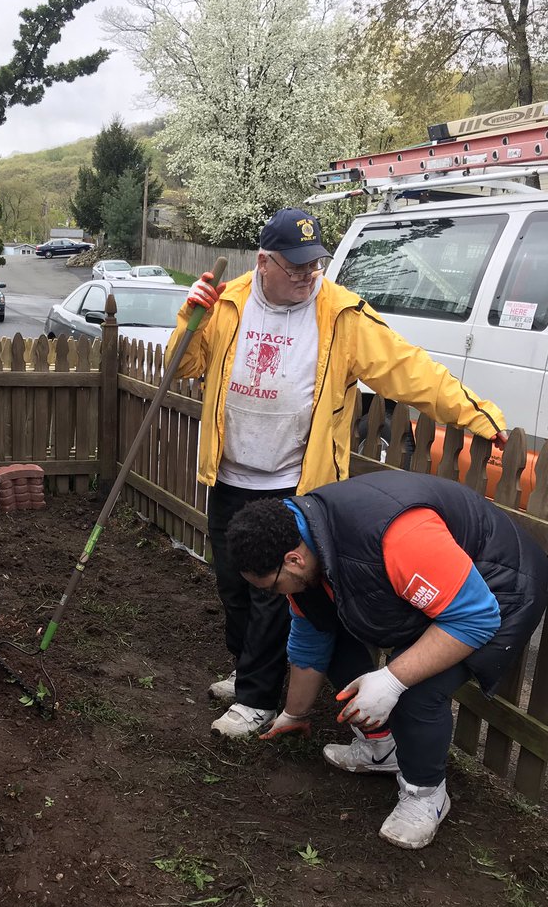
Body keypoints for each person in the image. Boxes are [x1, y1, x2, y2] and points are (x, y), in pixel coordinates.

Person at [165, 207, 508, 740]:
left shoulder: (342, 313)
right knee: (235, 585)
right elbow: (182, 367)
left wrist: (475, 414)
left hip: (295, 482)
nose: (308, 275)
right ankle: (248, 669)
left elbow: (409, 370)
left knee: (277, 594)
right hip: (230, 475)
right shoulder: (228, 302)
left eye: (315, 264)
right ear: (264, 262)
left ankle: (257, 698)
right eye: (296, 267)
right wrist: (191, 320)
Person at [224, 470, 548, 848]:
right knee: (332, 632)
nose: (277, 596)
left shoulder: (397, 537)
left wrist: (393, 679)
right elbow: (312, 636)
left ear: (293, 560)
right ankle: (382, 750)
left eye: (272, 587)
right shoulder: (306, 538)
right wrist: (295, 714)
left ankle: (426, 796)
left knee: (417, 688)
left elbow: (475, 616)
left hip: (499, 588)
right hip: (441, 586)